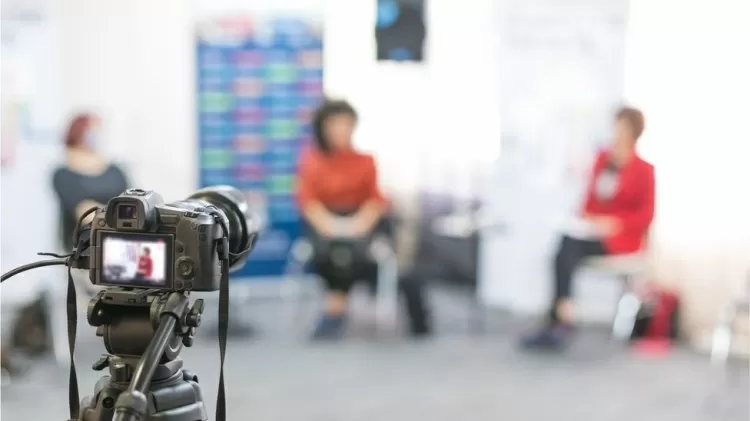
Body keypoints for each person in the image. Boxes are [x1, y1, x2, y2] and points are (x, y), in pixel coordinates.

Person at [522, 106, 655, 349]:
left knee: (566, 249)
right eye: (616, 125)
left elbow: (646, 215)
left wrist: (616, 224)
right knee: (564, 246)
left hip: (622, 239)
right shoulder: (603, 160)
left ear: (634, 132)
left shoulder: (644, 170)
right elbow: (589, 202)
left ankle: (560, 318)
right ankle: (562, 315)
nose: (617, 131)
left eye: (622, 126)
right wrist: (588, 218)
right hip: (592, 233)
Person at [296, 99, 431, 339]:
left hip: (361, 225)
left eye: (346, 124)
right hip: (326, 227)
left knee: (358, 251)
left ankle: (335, 309)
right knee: (334, 250)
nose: (341, 130)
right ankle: (336, 306)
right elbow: (308, 202)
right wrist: (331, 225)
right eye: (335, 124)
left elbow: (376, 201)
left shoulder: (364, 161)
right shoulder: (312, 161)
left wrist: (360, 223)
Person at [52, 113, 129, 294]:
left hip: (121, 250)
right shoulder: (63, 175)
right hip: (85, 256)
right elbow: (85, 213)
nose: (98, 136)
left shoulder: (115, 171)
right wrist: (119, 219)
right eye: (93, 131)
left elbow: (131, 206)